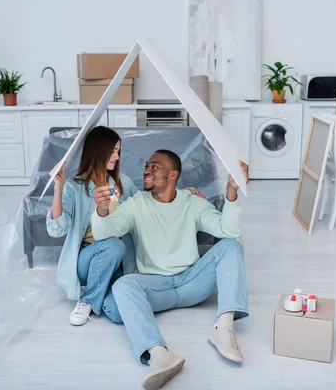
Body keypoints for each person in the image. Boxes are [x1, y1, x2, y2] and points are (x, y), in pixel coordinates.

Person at [91, 150, 249, 390]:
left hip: (191, 282)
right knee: (121, 287)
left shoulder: (193, 202)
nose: (147, 170)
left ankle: (224, 328)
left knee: (231, 246)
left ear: (173, 174)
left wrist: (232, 193)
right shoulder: (135, 205)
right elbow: (104, 233)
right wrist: (102, 210)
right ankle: (159, 354)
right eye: (146, 165)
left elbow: (227, 231)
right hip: (156, 287)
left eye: (155, 166)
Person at [47, 127, 205, 327]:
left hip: (117, 261)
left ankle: (98, 293)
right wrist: (58, 187)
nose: (117, 156)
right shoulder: (74, 187)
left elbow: (145, 204)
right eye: (113, 151)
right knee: (113, 245)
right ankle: (86, 300)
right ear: (99, 151)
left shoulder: (122, 184)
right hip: (86, 259)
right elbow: (56, 230)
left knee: (118, 312)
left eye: (118, 151)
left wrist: (179, 193)